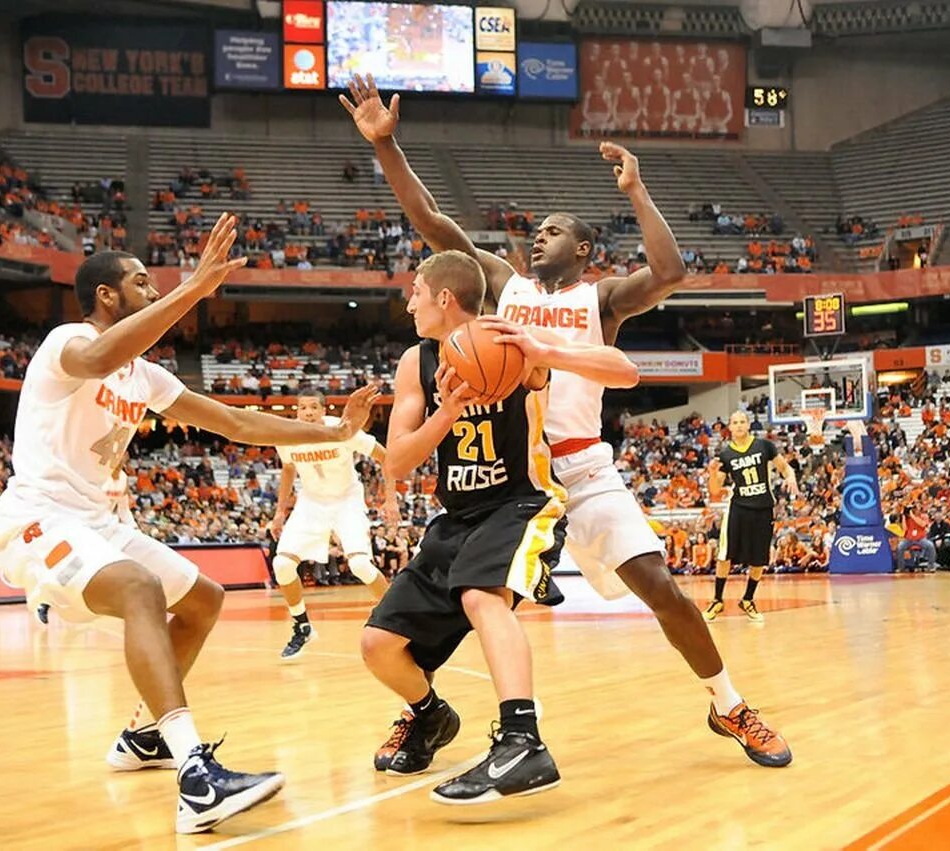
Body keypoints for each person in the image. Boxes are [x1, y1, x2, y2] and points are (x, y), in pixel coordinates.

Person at [341, 75, 791, 768]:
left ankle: (728, 704)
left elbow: (668, 268)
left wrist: (637, 191)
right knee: (479, 600)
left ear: (583, 250)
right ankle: (427, 712)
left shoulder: (601, 297)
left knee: (662, 590)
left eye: (553, 231)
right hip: (512, 479)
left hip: (580, 468)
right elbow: (433, 222)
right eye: (536, 229)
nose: (537, 235)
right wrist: (387, 146)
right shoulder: (501, 283)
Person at [0, 214, 380, 834]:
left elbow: (239, 424)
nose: (152, 289)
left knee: (202, 600)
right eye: (142, 283)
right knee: (141, 588)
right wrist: (191, 290)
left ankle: (144, 735)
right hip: (38, 517)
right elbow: (96, 356)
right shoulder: (65, 342)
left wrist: (334, 431)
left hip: (94, 521)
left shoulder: (144, 376)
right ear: (106, 296)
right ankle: (195, 777)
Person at [362, 249, 641, 803]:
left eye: (415, 290)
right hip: (457, 517)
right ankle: (430, 716)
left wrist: (543, 352)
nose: (409, 301)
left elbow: (625, 372)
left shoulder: (510, 340)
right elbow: (395, 462)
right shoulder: (415, 362)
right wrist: (447, 410)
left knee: (480, 597)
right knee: (377, 644)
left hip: (520, 503)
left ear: (444, 297)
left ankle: (523, 740)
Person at [270, 388, 401, 659]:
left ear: (323, 410)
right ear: (296, 411)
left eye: (313, 407)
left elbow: (387, 457)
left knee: (361, 566)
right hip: (311, 502)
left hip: (346, 500)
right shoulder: (286, 435)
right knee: (282, 565)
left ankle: (396, 618)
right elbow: (288, 469)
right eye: (302, 407)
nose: (307, 412)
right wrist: (280, 512)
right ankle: (302, 626)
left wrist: (390, 499)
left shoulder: (343, 429)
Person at [704, 411, 799, 623]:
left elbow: (784, 467)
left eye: (742, 422)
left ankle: (747, 599)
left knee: (759, 559)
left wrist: (791, 477)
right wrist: (711, 473)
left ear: (748, 425)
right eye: (734, 422)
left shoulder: (764, 446)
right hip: (738, 507)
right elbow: (716, 489)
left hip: (763, 507)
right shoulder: (725, 455)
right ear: (730, 426)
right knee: (724, 555)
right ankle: (717, 600)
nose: (738, 425)